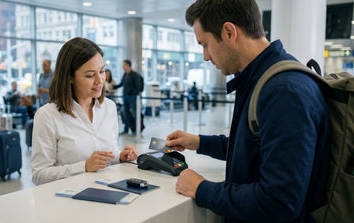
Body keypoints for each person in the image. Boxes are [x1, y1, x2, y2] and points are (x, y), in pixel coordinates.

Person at [165, 0, 330, 222]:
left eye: (205, 44)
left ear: (229, 32)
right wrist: (198, 142)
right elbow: (254, 148)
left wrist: (202, 189)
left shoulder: (284, 92)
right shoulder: (264, 79)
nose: (205, 56)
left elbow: (278, 202)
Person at [31, 37, 138, 185]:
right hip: (69, 201)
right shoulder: (47, 115)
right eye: (90, 75)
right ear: (69, 77)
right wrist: (84, 167)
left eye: (101, 71)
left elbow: (108, 155)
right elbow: (39, 175)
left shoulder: (109, 107)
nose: (100, 81)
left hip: (108, 194)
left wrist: (120, 157)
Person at [112, 59, 143, 135]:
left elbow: (138, 87)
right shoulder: (125, 74)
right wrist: (114, 87)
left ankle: (136, 129)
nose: (123, 66)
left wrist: (133, 95)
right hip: (125, 97)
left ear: (128, 65)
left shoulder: (134, 74)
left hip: (132, 97)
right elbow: (121, 84)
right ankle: (126, 129)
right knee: (126, 113)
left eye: (124, 65)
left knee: (135, 113)